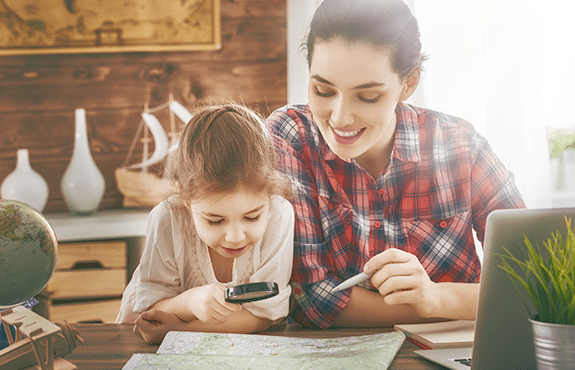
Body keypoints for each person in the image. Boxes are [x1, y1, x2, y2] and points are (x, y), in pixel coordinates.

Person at [265, 0, 525, 329]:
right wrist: (459, 302)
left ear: (408, 84)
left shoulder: (460, 146)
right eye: (323, 89)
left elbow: (534, 282)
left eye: (368, 96)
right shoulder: (290, 136)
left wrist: (436, 298)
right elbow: (311, 301)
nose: (340, 117)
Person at [116, 103, 295, 343]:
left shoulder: (279, 215)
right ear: (186, 200)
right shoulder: (168, 218)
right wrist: (191, 301)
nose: (235, 236)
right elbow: (151, 310)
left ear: (269, 194)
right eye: (215, 220)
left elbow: (264, 315)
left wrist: (182, 330)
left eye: (252, 217)